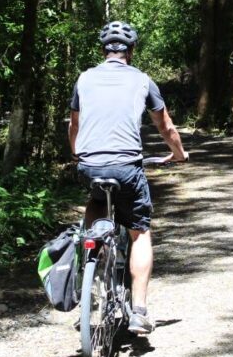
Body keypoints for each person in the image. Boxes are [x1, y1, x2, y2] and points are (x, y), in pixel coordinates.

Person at [68, 21, 188, 335]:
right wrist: (178, 154)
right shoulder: (142, 80)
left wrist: (77, 154)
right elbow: (166, 128)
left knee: (94, 199)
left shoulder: (84, 78)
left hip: (90, 165)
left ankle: (94, 249)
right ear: (131, 51)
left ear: (102, 51)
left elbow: (74, 127)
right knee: (140, 234)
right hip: (127, 168)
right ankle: (139, 311)